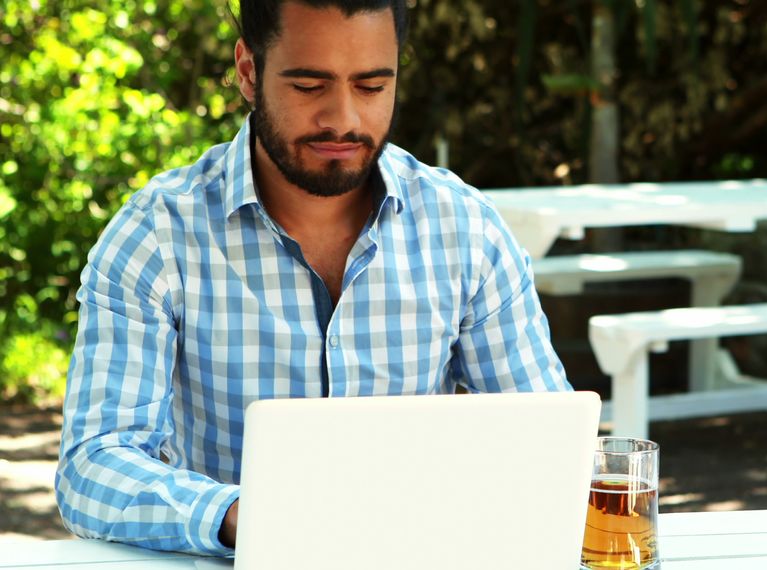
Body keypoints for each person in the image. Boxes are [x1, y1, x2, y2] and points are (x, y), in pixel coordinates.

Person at [54, 0, 570, 556]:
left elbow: (550, 443)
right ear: (249, 72)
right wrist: (240, 516)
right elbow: (93, 465)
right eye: (308, 86)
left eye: (372, 87)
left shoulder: (465, 228)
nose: (343, 119)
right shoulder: (158, 234)